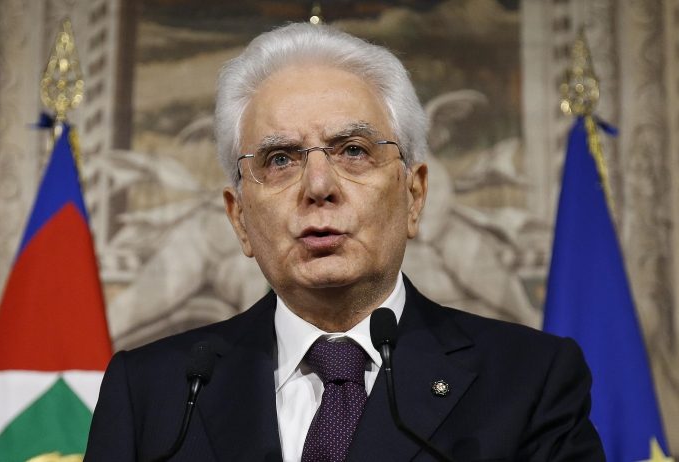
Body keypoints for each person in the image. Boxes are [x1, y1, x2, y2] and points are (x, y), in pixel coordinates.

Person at [85, 23, 605, 461]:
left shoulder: (528, 380)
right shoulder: (152, 393)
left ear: (414, 195)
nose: (318, 186)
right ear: (239, 217)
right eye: (280, 159)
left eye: (353, 150)